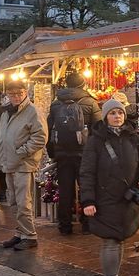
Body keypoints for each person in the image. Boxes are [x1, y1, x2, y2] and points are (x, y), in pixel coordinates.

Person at [80, 100, 139, 276]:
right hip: (104, 198)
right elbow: (87, 172)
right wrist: (88, 199)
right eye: (113, 113)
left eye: (120, 113)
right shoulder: (96, 141)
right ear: (105, 116)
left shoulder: (134, 139)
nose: (117, 116)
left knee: (121, 236)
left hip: (127, 198)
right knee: (111, 239)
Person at [0, 79, 47, 250]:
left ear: (25, 92)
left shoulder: (32, 111)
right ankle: (20, 233)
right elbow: (4, 136)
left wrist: (22, 151)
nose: (16, 97)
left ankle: (30, 236)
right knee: (13, 201)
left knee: (24, 202)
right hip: (8, 162)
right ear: (7, 95)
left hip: (24, 164)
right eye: (12, 94)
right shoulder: (5, 113)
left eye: (19, 93)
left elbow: (40, 137)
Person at [47, 72, 101, 235]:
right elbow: (98, 129)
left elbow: (49, 129)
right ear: (83, 84)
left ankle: (65, 225)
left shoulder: (56, 104)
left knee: (65, 189)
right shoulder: (90, 102)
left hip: (62, 153)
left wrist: (53, 152)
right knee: (86, 187)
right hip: (84, 153)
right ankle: (88, 223)